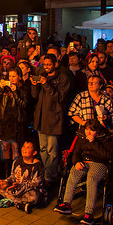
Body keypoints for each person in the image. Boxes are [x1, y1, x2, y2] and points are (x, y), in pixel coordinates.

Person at [54, 119, 113, 225]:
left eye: (92, 131)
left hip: (99, 162)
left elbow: (107, 156)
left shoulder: (105, 138)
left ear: (98, 131)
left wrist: (94, 142)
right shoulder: (81, 136)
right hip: (84, 161)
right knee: (74, 172)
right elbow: (76, 152)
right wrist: (76, 161)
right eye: (87, 130)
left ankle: (89, 213)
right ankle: (66, 203)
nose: (88, 133)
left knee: (92, 178)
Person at [31, 53, 73, 187]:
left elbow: (60, 98)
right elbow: (34, 95)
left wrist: (46, 84)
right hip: (41, 118)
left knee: (52, 150)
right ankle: (46, 173)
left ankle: (51, 176)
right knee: (43, 148)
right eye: (45, 65)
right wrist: (35, 84)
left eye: (49, 65)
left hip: (54, 118)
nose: (47, 67)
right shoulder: (42, 75)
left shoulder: (63, 79)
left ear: (55, 64)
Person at [0, 139, 44, 213]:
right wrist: (6, 182)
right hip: (15, 188)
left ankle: (9, 198)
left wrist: (20, 186)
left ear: (34, 152)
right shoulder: (17, 161)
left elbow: (35, 184)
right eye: (23, 146)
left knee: (35, 197)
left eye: (28, 148)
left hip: (27, 190)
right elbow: (13, 176)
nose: (24, 149)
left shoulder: (37, 166)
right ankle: (19, 203)